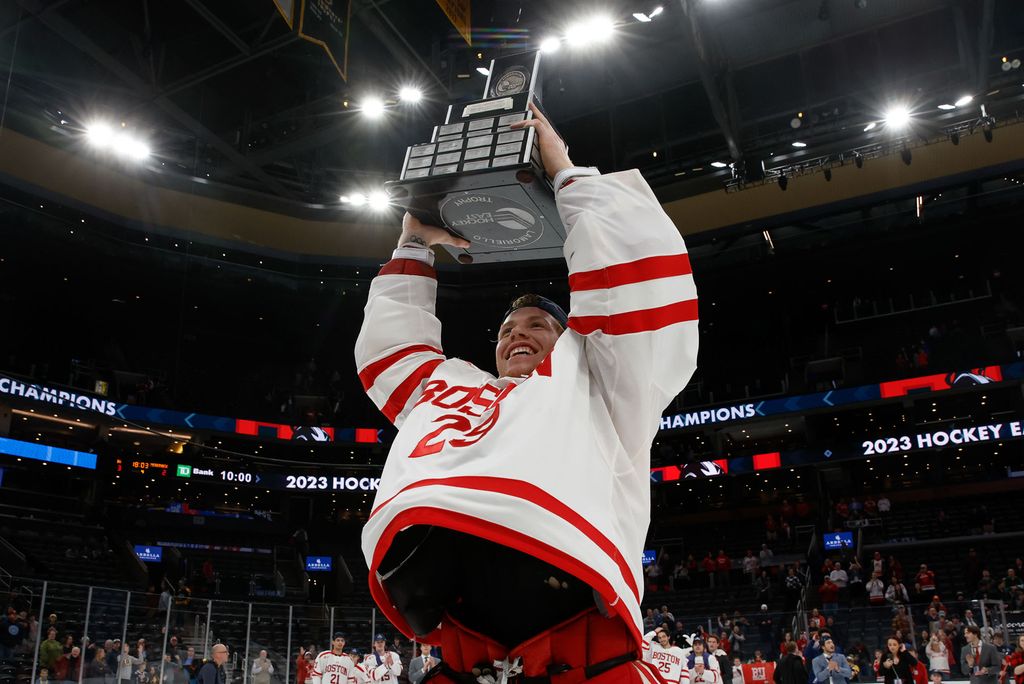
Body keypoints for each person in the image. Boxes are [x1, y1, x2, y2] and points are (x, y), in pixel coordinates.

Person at [354, 103, 698, 681]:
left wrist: (567, 177)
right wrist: (411, 246)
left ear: (568, 340)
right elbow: (389, 354)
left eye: (538, 326)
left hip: (577, 642)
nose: (518, 335)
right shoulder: (451, 387)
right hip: (467, 648)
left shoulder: (597, 383)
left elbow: (628, 300)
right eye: (508, 331)